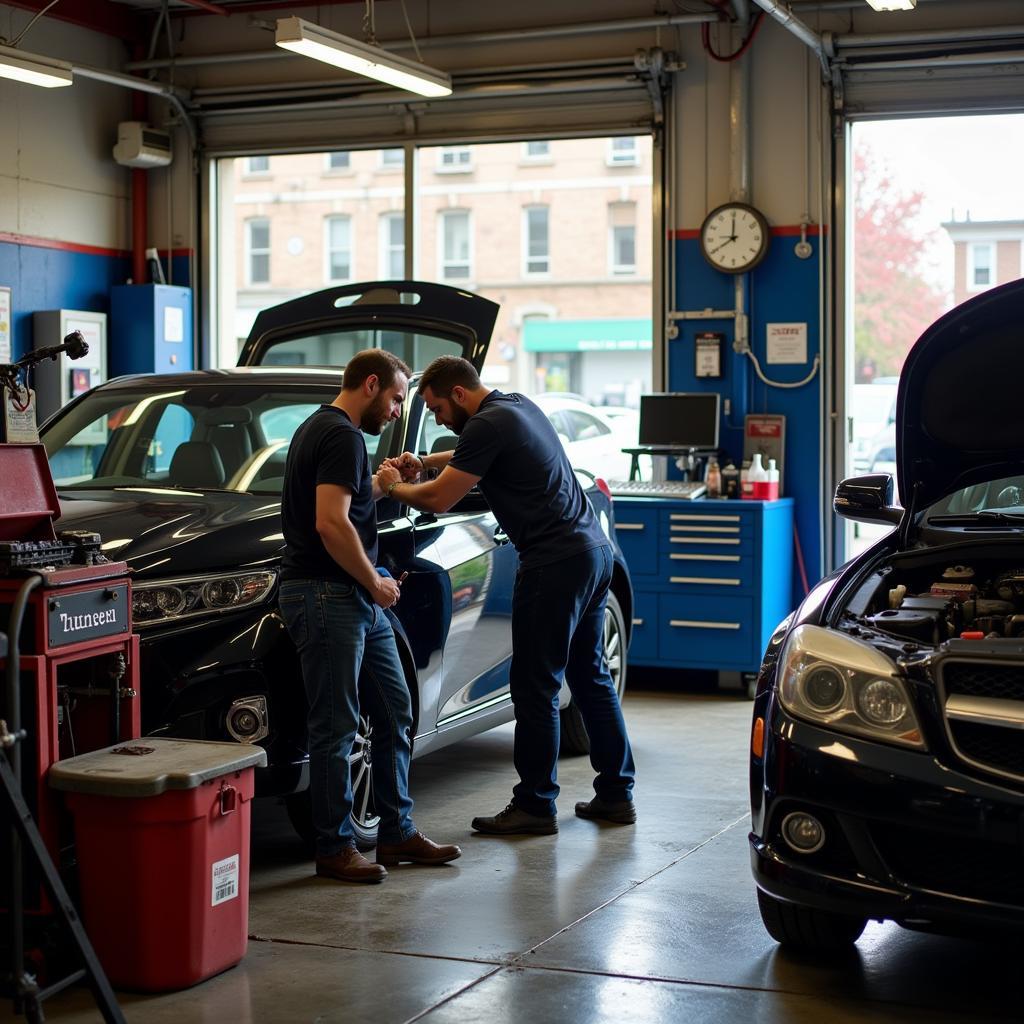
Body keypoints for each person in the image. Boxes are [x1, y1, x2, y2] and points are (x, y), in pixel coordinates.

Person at [383, 355, 635, 836]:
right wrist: (424, 462)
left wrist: (395, 485)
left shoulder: (486, 426)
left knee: (535, 687)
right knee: (589, 676)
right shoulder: (517, 405)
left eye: (437, 408)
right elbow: (469, 454)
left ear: (458, 394)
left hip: (553, 564)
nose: (436, 418)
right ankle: (616, 795)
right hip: (592, 553)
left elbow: (438, 499)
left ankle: (535, 806)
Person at [278, 349, 461, 883]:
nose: (399, 411)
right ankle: (334, 848)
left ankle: (397, 833)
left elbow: (352, 504)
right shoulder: (339, 435)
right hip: (328, 595)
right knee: (335, 727)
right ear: (372, 384)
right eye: (399, 398)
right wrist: (374, 581)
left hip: (350, 597)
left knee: (394, 708)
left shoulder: (330, 432)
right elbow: (332, 525)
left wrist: (383, 481)